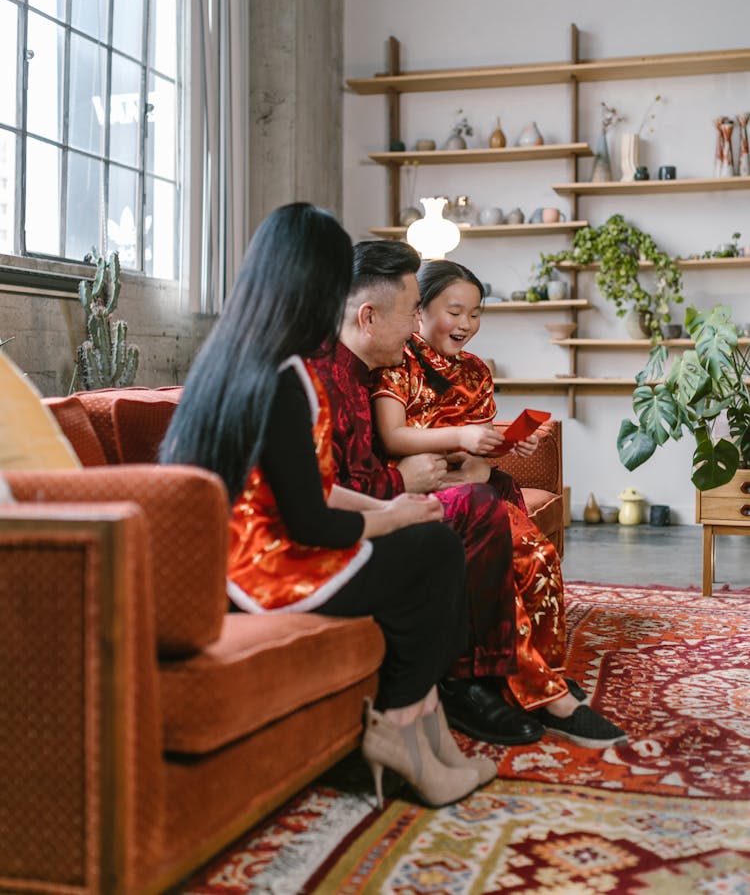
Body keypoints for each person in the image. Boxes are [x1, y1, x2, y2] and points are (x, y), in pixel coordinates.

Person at [160, 203, 495, 808]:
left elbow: (306, 489)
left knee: (430, 541)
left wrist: (394, 510)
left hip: (246, 556)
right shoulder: (284, 377)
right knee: (436, 555)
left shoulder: (240, 358)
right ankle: (400, 726)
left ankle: (423, 722)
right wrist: (391, 514)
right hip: (262, 571)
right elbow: (310, 520)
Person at [371, 258, 627, 748]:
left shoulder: (477, 372)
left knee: (542, 559)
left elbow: (477, 450)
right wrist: (466, 437)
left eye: (475, 313)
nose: (466, 324)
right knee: (512, 559)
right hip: (432, 493)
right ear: (418, 310)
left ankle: (539, 677)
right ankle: (541, 693)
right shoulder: (397, 363)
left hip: (477, 485)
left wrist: (507, 442)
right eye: (455, 311)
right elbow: (392, 435)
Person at [311, 241, 545, 747]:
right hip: (344, 529)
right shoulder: (321, 379)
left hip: (386, 499)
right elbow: (325, 491)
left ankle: (517, 668)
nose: (419, 324)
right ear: (370, 317)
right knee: (474, 508)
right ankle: (468, 682)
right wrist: (403, 482)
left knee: (490, 495)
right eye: (414, 310)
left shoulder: (361, 372)